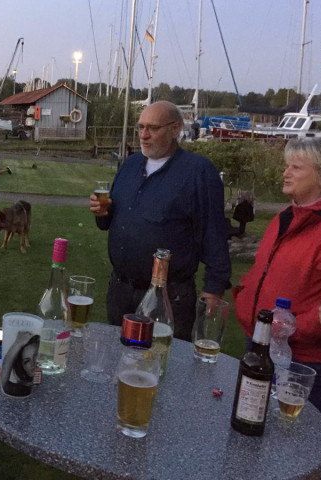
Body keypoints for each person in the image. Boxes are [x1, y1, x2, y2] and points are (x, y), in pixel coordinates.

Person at [89, 101, 231, 340]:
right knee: (118, 355)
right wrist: (102, 213)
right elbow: (114, 219)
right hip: (121, 291)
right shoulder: (131, 165)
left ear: (175, 129)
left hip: (169, 297)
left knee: (162, 357)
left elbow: (214, 233)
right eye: (140, 127)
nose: (143, 135)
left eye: (153, 128)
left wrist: (214, 289)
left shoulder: (198, 172)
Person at [233, 137, 321, 426]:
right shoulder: (287, 216)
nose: (286, 173)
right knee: (255, 424)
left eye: (296, 167)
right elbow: (264, 268)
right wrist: (244, 296)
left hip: (305, 360)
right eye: (287, 166)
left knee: (303, 438)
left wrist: (284, 329)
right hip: (262, 343)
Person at [0, 331, 40, 397]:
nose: (33, 363)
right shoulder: (21, 390)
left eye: (36, 356)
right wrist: (18, 344)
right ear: (22, 368)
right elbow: (4, 383)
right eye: (27, 361)